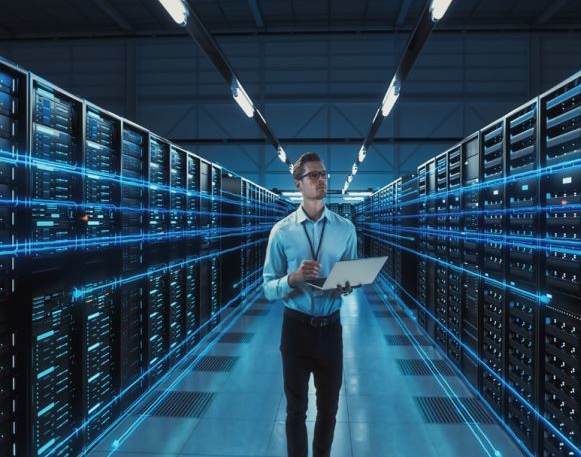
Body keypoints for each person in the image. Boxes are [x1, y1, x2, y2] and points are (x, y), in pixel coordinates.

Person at [263, 152, 357, 457]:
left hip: (331, 330)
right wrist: (292, 279)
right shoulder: (282, 231)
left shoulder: (345, 229)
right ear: (298, 183)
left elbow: (352, 274)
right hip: (296, 329)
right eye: (313, 175)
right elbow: (267, 287)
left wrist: (346, 285)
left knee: (329, 410)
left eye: (324, 174)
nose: (321, 180)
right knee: (296, 411)